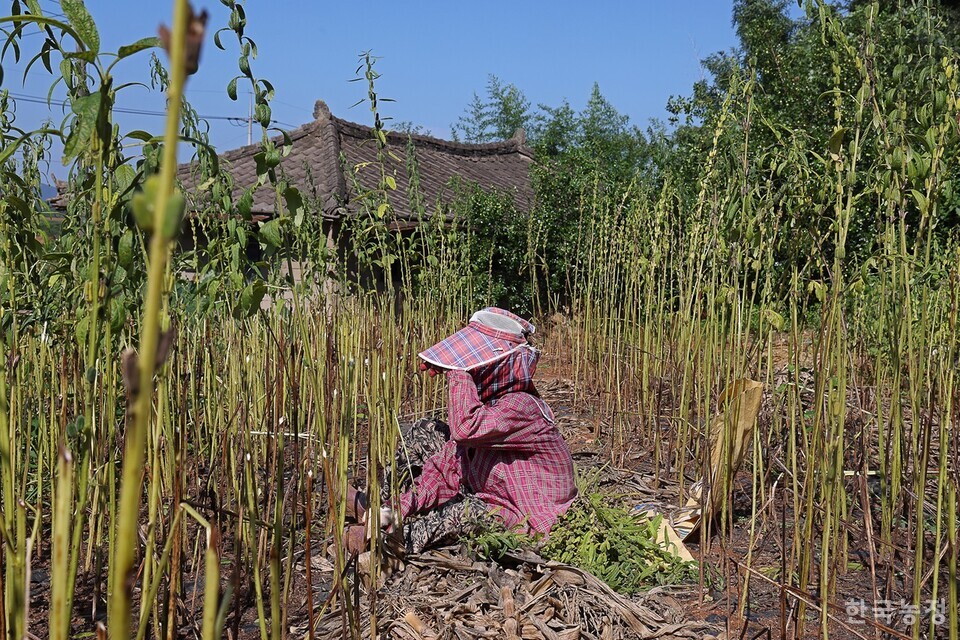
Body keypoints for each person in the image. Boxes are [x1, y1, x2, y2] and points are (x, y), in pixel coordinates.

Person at [344, 307, 577, 555]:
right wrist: (396, 508)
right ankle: (378, 508)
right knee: (426, 431)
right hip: (488, 492)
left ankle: (393, 542)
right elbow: (444, 472)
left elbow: (465, 428)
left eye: (476, 363)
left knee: (469, 513)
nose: (473, 369)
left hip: (525, 518)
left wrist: (459, 370)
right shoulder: (490, 407)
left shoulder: (522, 406)